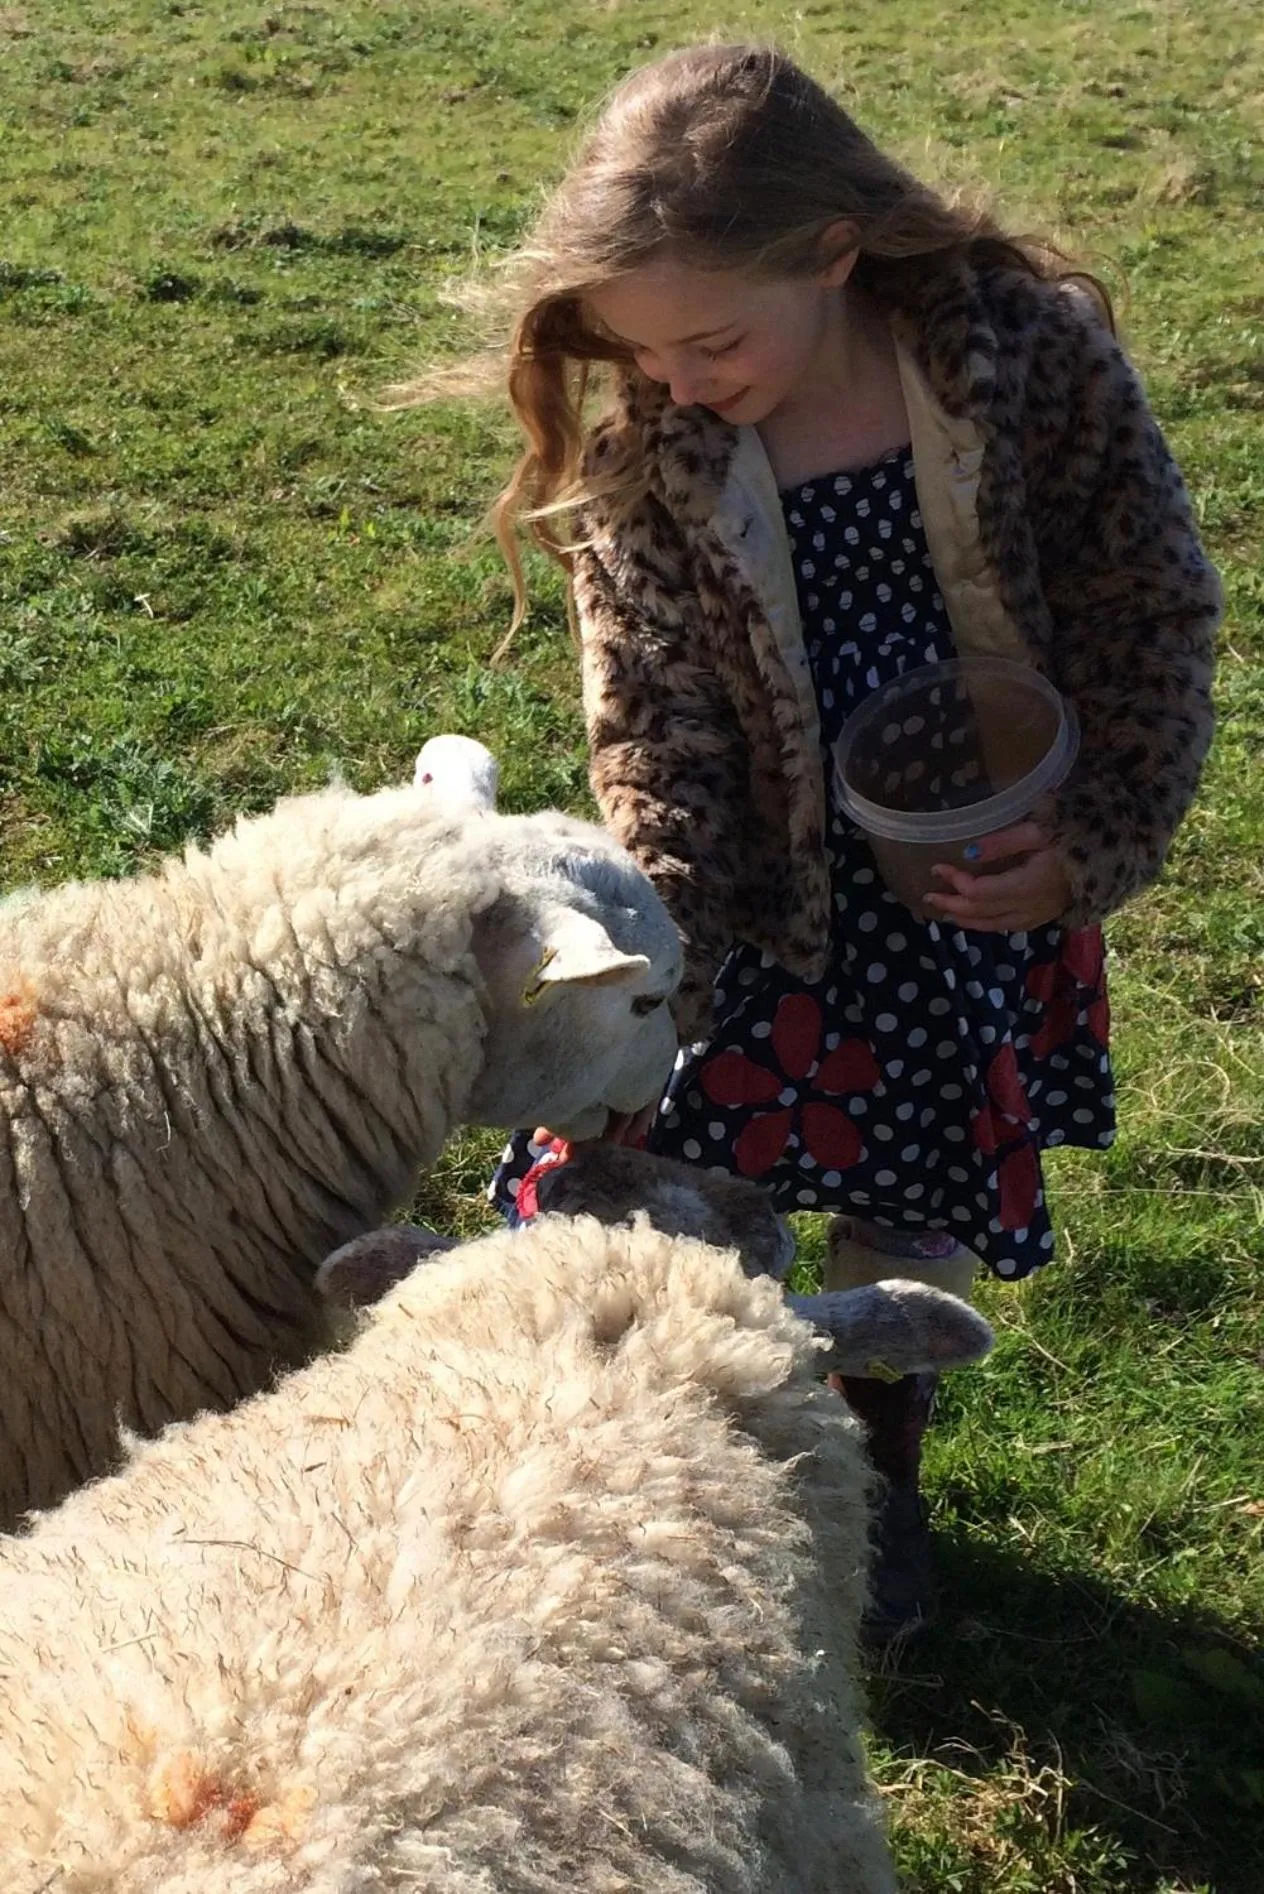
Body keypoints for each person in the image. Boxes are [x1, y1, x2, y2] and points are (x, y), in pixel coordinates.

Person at [411, 42, 1222, 1638]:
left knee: (910, 1187)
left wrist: (1093, 839)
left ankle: (866, 1490)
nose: (685, 379)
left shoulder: (1029, 371)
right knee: (627, 1153)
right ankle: (598, 1464)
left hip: (971, 879)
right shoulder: (659, 444)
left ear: (835, 250)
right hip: (749, 885)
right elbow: (649, 715)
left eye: (714, 339)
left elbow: (1149, 609)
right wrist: (670, 945)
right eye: (651, 352)